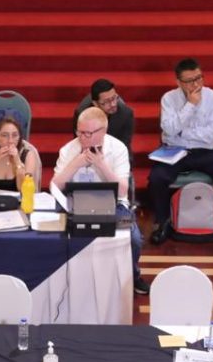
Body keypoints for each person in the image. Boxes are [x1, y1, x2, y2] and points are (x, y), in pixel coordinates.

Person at [51, 106, 148, 295]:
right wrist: (75, 164)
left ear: (103, 131)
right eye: (80, 132)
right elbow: (55, 187)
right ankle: (64, 279)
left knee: (134, 239)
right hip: (76, 204)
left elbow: (122, 190)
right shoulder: (68, 149)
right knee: (56, 235)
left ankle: (133, 276)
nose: (82, 138)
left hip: (113, 203)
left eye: (88, 133)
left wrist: (101, 165)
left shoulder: (118, 149)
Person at [148, 58, 213, 248]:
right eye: (189, 81)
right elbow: (169, 129)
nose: (196, 84)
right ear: (178, 82)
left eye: (199, 78)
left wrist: (182, 133)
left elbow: (212, 134)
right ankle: (163, 223)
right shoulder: (169, 98)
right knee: (156, 178)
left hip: (206, 151)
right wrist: (190, 105)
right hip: (174, 150)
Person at [73, 79, 134, 155]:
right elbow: (80, 142)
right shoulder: (82, 115)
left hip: (116, 153)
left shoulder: (126, 114)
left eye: (114, 98)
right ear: (95, 103)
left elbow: (124, 144)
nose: (113, 104)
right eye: (107, 102)